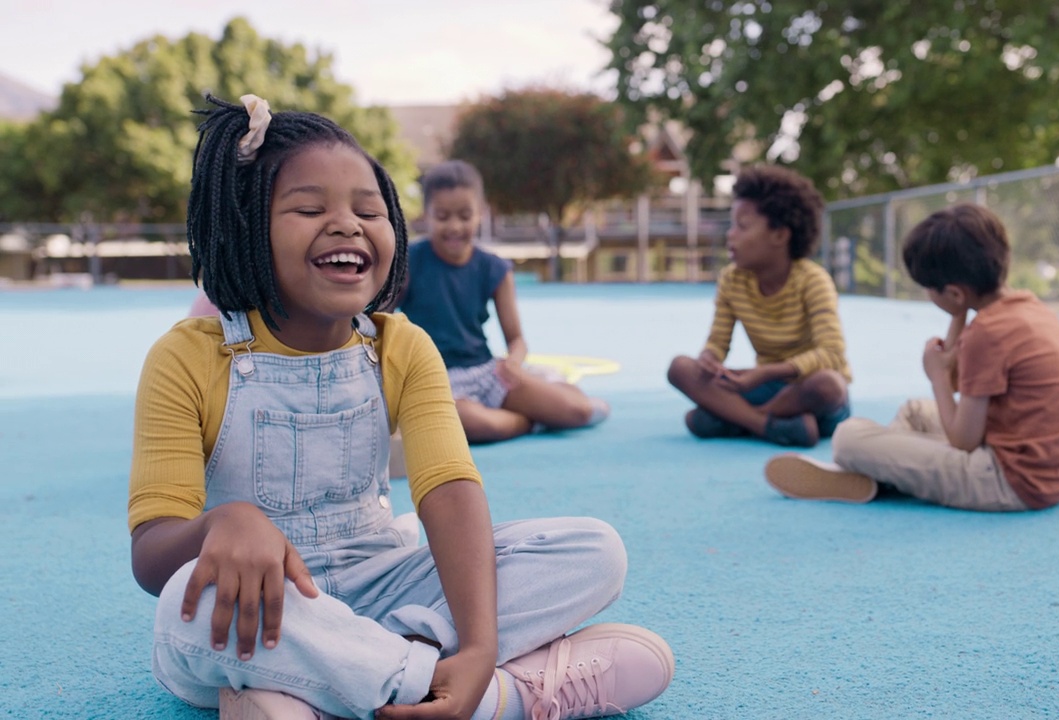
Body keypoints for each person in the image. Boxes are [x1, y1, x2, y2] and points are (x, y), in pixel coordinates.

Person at [127, 94, 673, 720]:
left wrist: (479, 642)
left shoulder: (402, 346)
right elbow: (151, 555)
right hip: (268, 607)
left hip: (386, 583)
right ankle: (501, 697)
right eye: (309, 208)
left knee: (595, 551)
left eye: (370, 209)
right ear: (247, 225)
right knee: (181, 612)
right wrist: (221, 526)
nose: (348, 224)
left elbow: (448, 490)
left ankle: (317, 691)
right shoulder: (185, 358)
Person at [764, 203, 1059, 511]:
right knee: (915, 411)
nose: (927, 295)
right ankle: (885, 470)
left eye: (929, 289)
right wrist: (958, 321)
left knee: (848, 438)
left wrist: (936, 376)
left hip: (1009, 482)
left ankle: (873, 472)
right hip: (1053, 471)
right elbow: (959, 380)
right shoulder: (1024, 307)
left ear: (954, 293)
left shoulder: (988, 333)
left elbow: (963, 439)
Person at [396, 160, 609, 444]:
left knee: (579, 412)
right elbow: (380, 322)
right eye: (443, 216)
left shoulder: (494, 268)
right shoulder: (408, 264)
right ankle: (529, 421)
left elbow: (517, 339)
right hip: (437, 379)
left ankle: (547, 389)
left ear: (481, 214)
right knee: (466, 423)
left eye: (464, 215)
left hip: (486, 371)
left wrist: (514, 363)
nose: (455, 226)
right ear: (427, 216)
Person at [667, 164, 852, 448]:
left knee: (829, 385)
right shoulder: (732, 279)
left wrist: (766, 372)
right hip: (762, 386)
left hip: (806, 391)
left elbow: (832, 354)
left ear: (779, 235)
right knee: (680, 368)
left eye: (742, 226)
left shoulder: (813, 280)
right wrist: (709, 358)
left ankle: (741, 419)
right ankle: (770, 426)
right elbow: (718, 341)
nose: (731, 234)